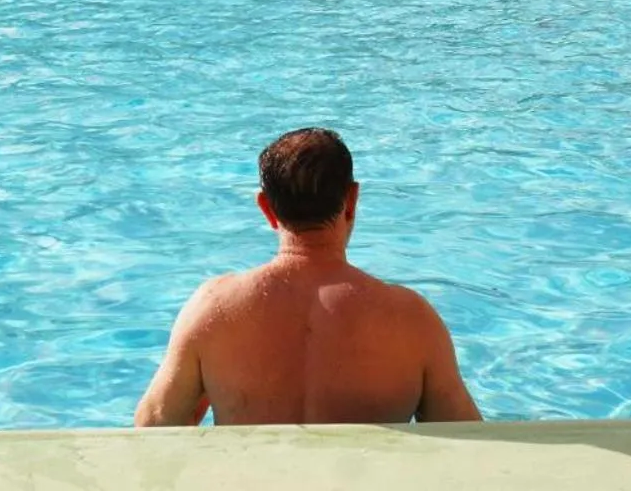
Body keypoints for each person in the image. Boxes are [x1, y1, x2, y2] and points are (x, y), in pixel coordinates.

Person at [134, 127, 482, 426]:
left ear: (266, 209)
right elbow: (472, 443)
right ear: (351, 201)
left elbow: (153, 427)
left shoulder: (213, 309)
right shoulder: (412, 320)